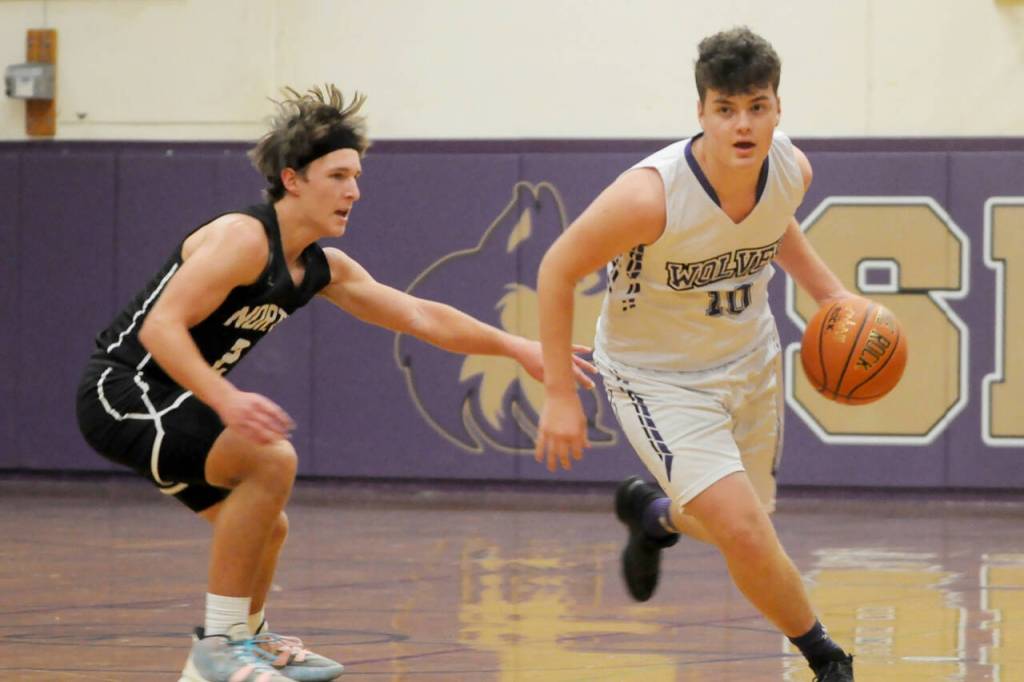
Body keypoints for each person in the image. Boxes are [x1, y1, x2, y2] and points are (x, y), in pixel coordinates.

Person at [75, 85, 594, 682]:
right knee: (271, 460)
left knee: (268, 522)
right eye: (339, 176)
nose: (354, 191)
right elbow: (161, 327)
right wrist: (226, 398)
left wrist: (517, 347)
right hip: (121, 392)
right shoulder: (243, 238)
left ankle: (247, 644)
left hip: (171, 401)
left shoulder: (321, 268)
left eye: (357, 177)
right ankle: (219, 644)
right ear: (292, 180)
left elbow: (420, 316)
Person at [533, 27, 855, 681]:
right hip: (657, 380)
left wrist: (831, 295)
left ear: (778, 107)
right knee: (745, 531)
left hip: (750, 359)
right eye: (726, 109)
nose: (743, 124)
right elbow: (556, 270)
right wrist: (561, 393)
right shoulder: (649, 197)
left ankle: (655, 518)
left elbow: (774, 224)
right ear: (701, 111)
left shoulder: (792, 170)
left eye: (757, 107)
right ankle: (827, 659)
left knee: (741, 522)